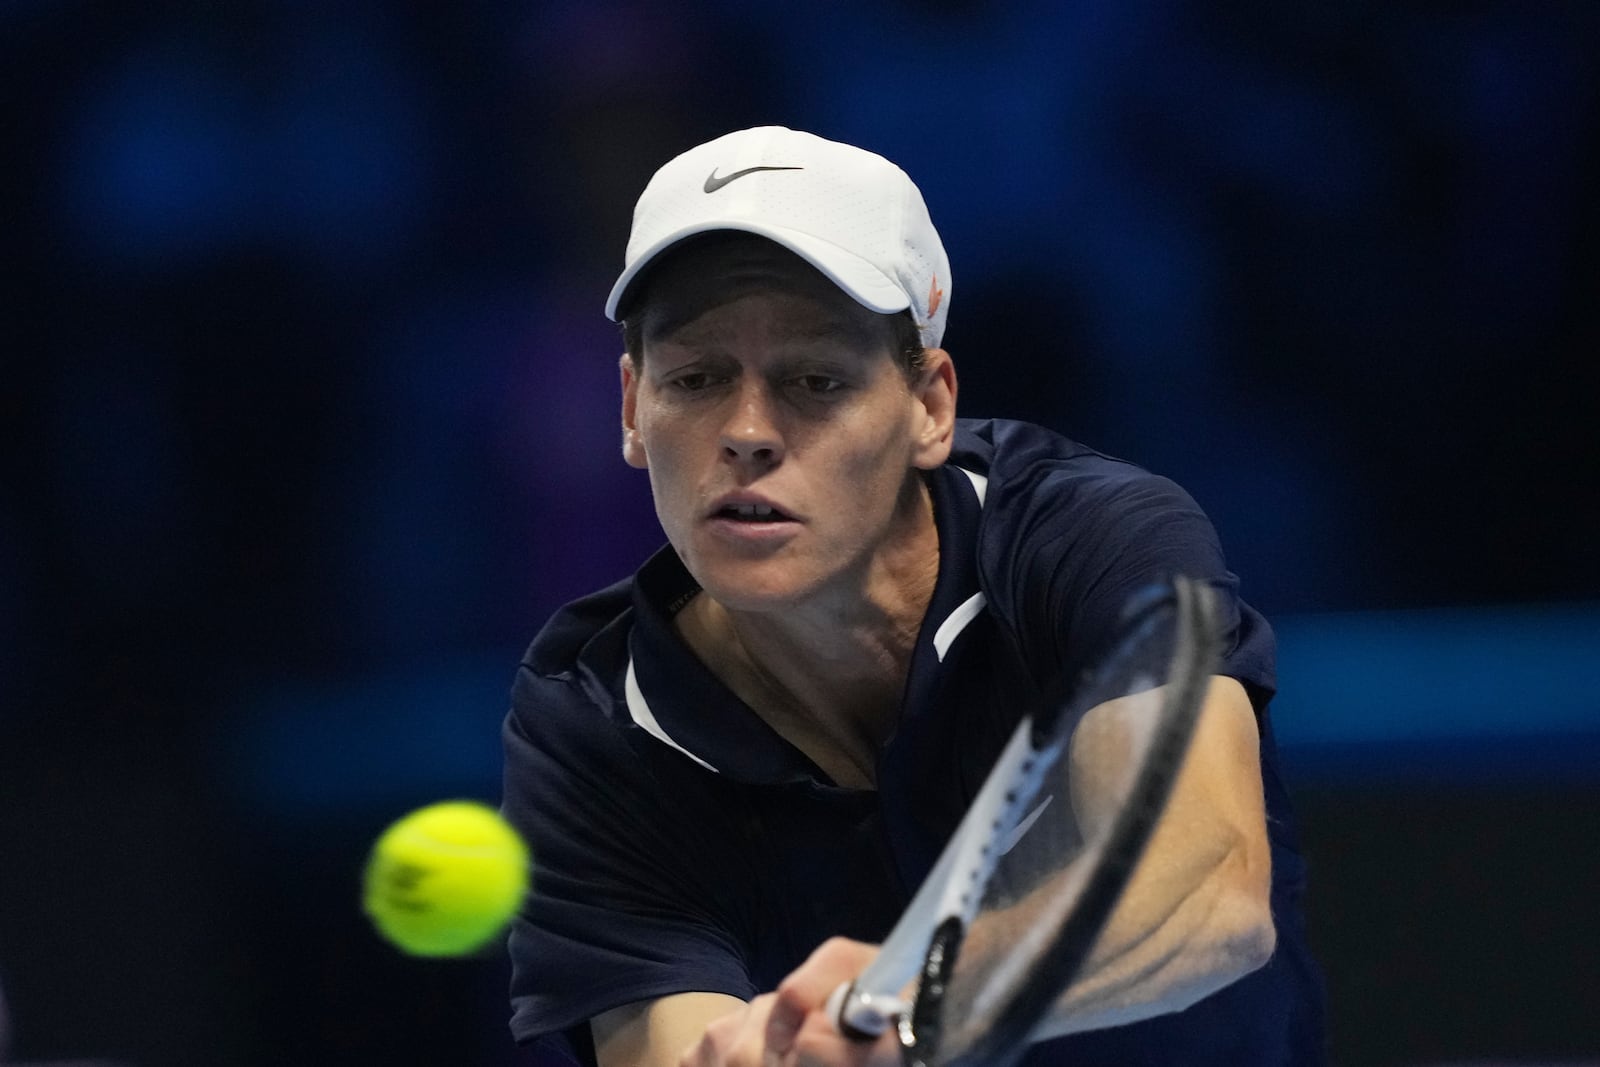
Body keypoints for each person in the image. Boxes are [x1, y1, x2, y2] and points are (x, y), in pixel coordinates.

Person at [501, 126, 1324, 1067]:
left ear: (930, 406)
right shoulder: (596, 714)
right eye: (694, 378)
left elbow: (1207, 893)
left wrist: (907, 1003)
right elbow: (668, 1044)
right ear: (631, 410)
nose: (747, 431)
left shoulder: (1094, 541)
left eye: (815, 379)